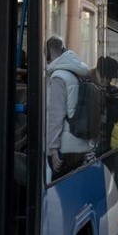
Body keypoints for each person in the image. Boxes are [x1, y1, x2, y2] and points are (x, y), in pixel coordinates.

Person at [45, 36, 91, 179]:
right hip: (79, 143)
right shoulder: (76, 75)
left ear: (47, 53)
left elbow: (56, 116)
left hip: (63, 148)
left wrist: (52, 149)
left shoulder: (58, 78)